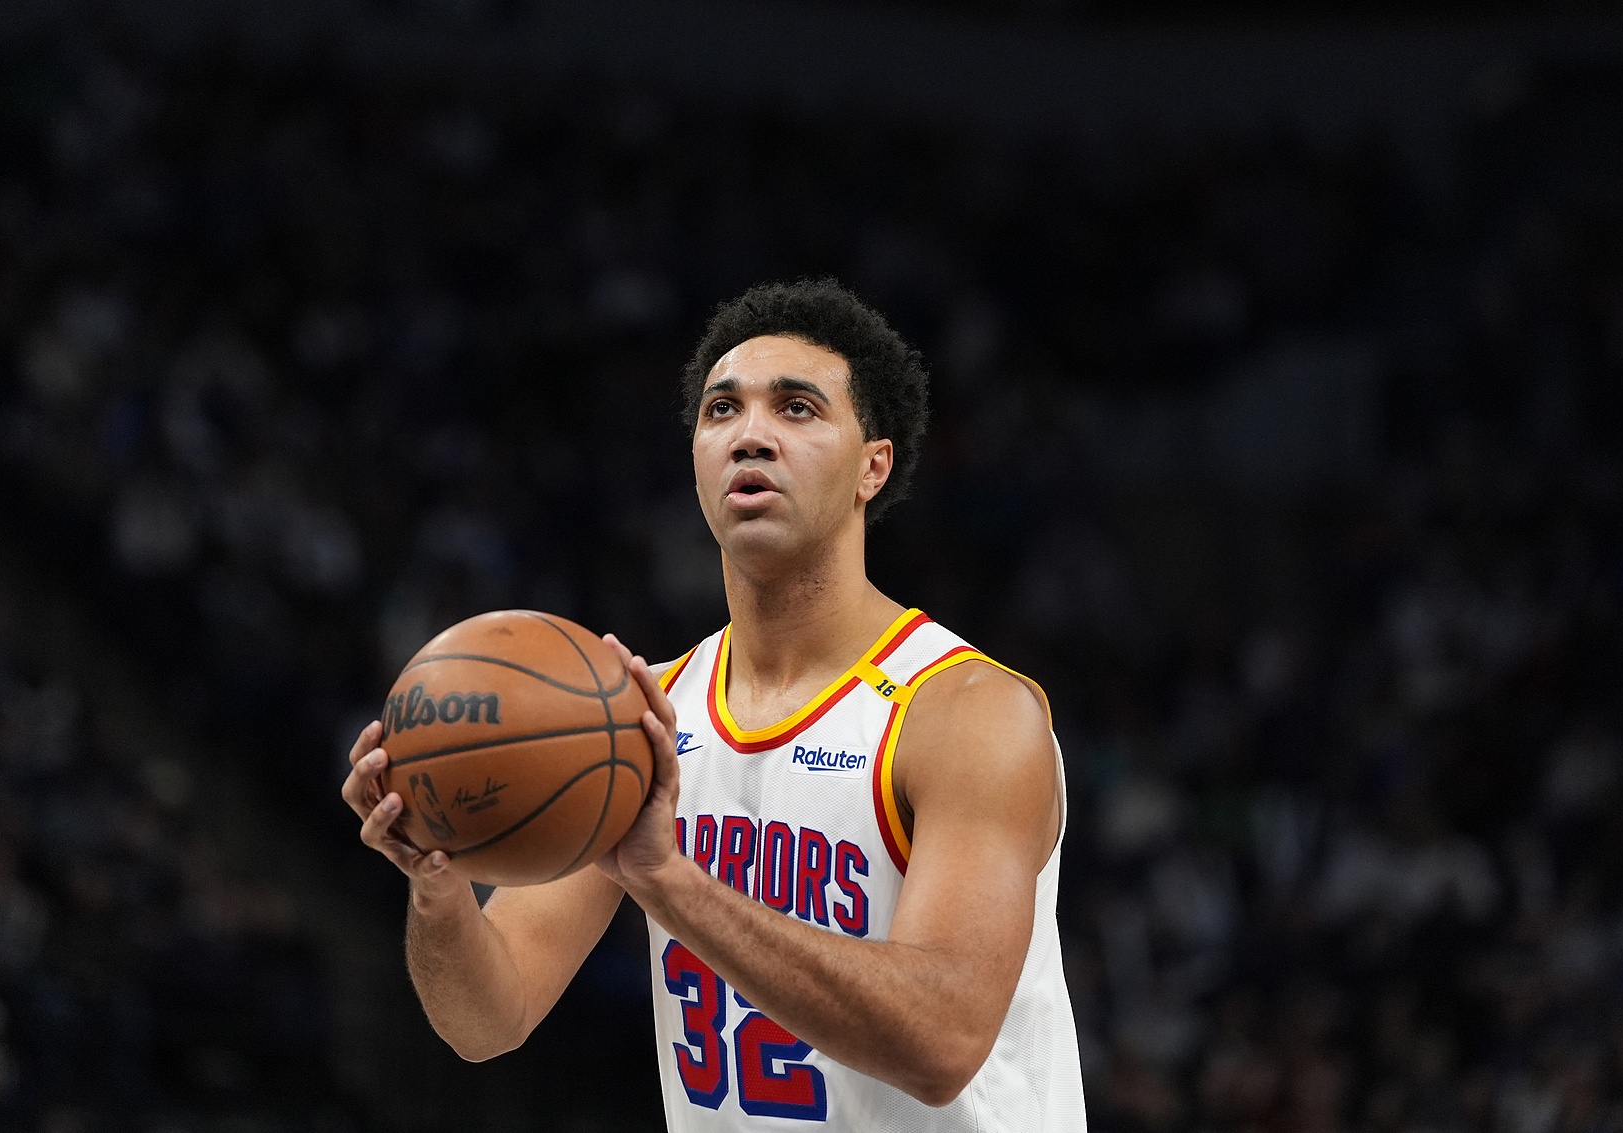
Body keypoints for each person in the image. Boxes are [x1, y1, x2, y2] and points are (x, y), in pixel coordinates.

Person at [339, 279, 1086, 1130]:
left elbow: (942, 1042)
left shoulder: (968, 711)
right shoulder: (635, 721)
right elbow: (487, 1020)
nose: (750, 434)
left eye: (797, 408)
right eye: (722, 410)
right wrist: (435, 887)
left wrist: (671, 882)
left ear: (872, 466)